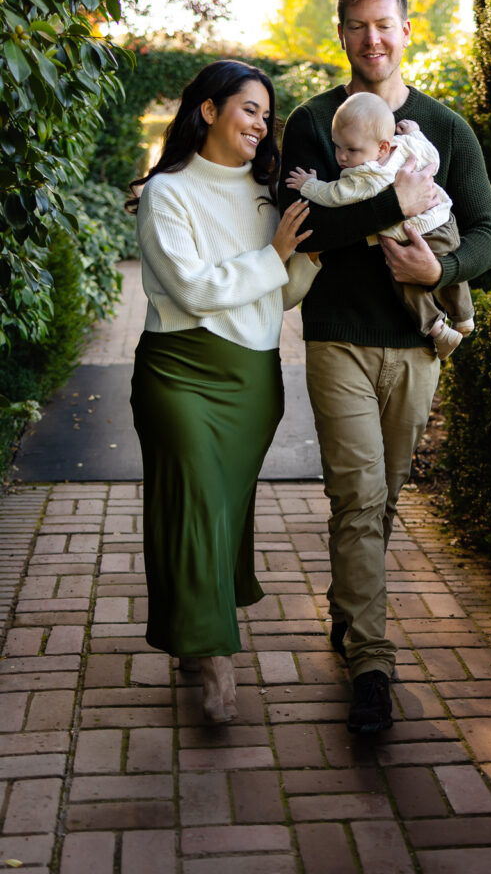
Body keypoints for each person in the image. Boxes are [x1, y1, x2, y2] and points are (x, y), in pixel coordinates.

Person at [278, 0, 491, 734]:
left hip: (415, 348)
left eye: (384, 24)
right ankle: (371, 664)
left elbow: (487, 233)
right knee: (358, 495)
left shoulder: (444, 128)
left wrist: (439, 268)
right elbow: (301, 224)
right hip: (338, 338)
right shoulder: (311, 123)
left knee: (387, 493)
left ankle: (350, 610)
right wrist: (392, 203)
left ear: (407, 31)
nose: (371, 39)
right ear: (340, 34)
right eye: (356, 25)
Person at [128, 60, 318, 724]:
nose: (261, 125)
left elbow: (281, 292)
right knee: (195, 503)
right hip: (178, 373)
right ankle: (213, 656)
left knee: (221, 508)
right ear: (208, 111)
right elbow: (194, 290)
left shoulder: (270, 195)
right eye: (248, 110)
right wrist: (273, 256)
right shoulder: (168, 193)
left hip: (252, 380)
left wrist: (305, 261)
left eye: (266, 115)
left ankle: (190, 626)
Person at [286, 90, 475, 359]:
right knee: (449, 261)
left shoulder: (364, 175)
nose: (341, 157)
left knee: (404, 278)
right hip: (443, 221)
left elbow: (334, 195)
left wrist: (309, 184)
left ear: (382, 148)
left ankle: (437, 329)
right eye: (337, 146)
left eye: (351, 149)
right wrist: (415, 132)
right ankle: (465, 317)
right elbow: (432, 155)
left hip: (412, 234)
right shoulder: (405, 146)